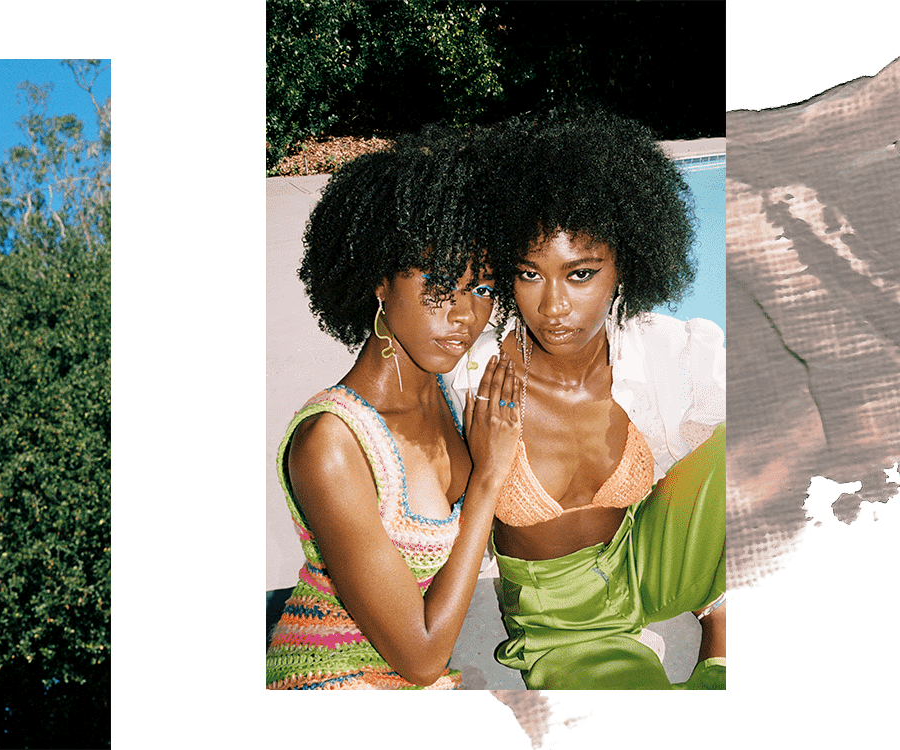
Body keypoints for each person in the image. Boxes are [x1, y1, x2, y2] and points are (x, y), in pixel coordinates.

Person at [449, 104, 727, 690]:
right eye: (529, 273)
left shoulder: (659, 349)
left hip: (645, 563)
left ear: (622, 268)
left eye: (580, 274)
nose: (552, 306)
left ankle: (718, 620)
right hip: (564, 625)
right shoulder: (474, 376)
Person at [266, 125, 523, 689]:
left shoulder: (444, 398)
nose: (463, 314)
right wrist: (486, 481)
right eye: (438, 283)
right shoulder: (331, 444)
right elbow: (423, 656)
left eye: (482, 288)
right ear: (381, 279)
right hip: (330, 675)